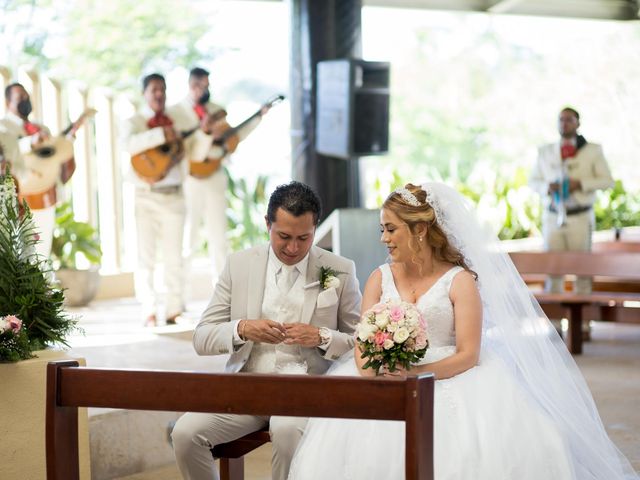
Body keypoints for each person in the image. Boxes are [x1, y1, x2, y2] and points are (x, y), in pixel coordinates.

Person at [288, 182, 637, 480]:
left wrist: (415, 374)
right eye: (382, 229)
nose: (383, 238)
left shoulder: (460, 281)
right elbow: (363, 347)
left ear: (420, 230)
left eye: (390, 229)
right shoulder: (380, 278)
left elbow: (468, 354)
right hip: (381, 378)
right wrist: (372, 372)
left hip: (450, 373)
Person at [171, 181, 362, 480]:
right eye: (283, 236)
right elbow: (202, 337)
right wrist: (243, 329)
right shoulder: (239, 265)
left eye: (304, 237)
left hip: (306, 393)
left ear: (316, 228)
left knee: (287, 432)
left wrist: (322, 337)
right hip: (247, 392)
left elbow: (360, 343)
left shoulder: (340, 269)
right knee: (185, 433)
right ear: (267, 224)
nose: (293, 248)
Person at [120, 73, 209, 326]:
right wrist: (162, 135)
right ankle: (148, 309)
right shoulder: (135, 121)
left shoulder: (180, 118)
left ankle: (173, 309)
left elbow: (197, 154)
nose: (159, 94)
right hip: (145, 196)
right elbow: (128, 145)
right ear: (145, 93)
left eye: (163, 89)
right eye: (154, 90)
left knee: (174, 255)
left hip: (174, 195)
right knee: (145, 256)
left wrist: (205, 135)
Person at [173, 67, 267, 284]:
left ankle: (222, 291)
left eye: (207, 85)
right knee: (189, 237)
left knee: (218, 237)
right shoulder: (177, 112)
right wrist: (204, 133)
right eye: (199, 85)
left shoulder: (217, 111)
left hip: (215, 175)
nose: (203, 90)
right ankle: (179, 297)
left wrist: (257, 118)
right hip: (191, 178)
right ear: (191, 85)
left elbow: (234, 137)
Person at [530, 107, 614, 294]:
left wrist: (581, 184)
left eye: (569, 119)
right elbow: (533, 181)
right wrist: (547, 188)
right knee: (553, 269)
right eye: (561, 119)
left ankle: (583, 323)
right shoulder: (545, 151)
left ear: (578, 123)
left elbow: (608, 181)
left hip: (580, 216)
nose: (564, 123)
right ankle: (554, 320)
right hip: (553, 216)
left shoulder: (592, 150)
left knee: (583, 269)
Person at [0, 83, 53, 257]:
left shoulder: (41, 128)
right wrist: (30, 142)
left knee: (43, 250)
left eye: (26, 96)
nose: (25, 100)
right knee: (21, 251)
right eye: (19, 98)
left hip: (43, 192)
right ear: (8, 103)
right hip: (19, 195)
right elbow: (10, 153)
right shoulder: (4, 128)